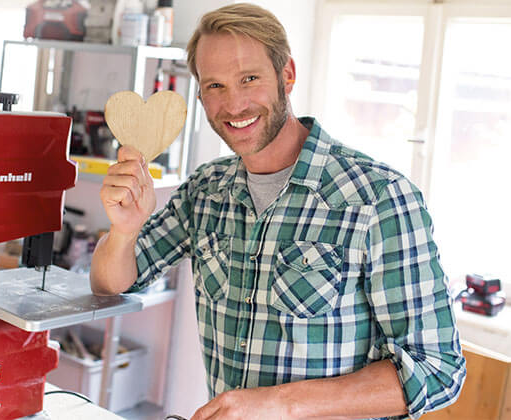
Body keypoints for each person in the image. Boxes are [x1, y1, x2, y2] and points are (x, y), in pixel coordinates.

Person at [90, 3, 466, 419]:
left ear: (287, 75)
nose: (234, 104)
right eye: (215, 86)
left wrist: (279, 403)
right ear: (200, 95)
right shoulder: (205, 191)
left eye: (249, 79)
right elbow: (110, 285)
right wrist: (124, 230)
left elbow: (438, 370)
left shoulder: (380, 199)